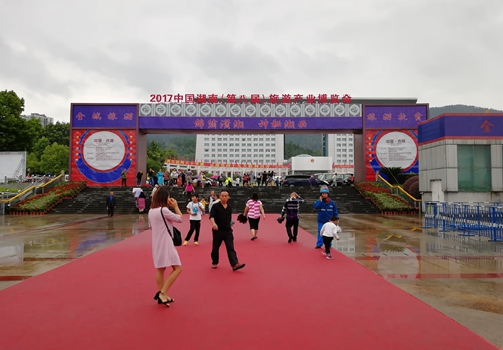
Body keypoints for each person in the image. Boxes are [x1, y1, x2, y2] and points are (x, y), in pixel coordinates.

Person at [149, 186, 184, 307]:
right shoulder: (164, 210)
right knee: (178, 268)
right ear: (165, 198)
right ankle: (162, 293)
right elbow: (180, 219)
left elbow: (151, 227)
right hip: (166, 242)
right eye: (168, 197)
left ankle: (162, 294)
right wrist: (175, 207)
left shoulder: (151, 211)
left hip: (156, 242)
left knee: (160, 269)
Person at [209, 191, 245, 271]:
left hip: (228, 231)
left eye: (226, 196)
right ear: (220, 197)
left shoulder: (229, 207)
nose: (224, 197)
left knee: (230, 247)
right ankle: (215, 261)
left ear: (228, 197)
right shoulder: (215, 206)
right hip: (218, 231)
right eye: (222, 196)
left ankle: (235, 264)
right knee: (215, 248)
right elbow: (211, 216)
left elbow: (229, 218)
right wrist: (214, 224)